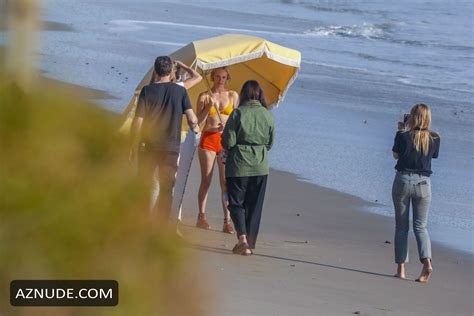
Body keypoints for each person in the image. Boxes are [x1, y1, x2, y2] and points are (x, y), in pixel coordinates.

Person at [129, 56, 200, 219]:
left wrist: (132, 145)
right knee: (166, 189)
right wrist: (195, 128)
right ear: (171, 71)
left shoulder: (147, 91)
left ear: (155, 71)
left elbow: (138, 122)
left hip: (148, 147)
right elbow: (192, 118)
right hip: (170, 148)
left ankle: (143, 221)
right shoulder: (180, 91)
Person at [221, 80, 275, 255]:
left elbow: (228, 142)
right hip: (260, 165)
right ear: (259, 95)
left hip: (238, 164)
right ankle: (250, 243)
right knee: (254, 205)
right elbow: (269, 143)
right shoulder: (267, 115)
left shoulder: (238, 113)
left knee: (236, 202)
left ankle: (242, 238)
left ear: (243, 94)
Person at [391, 103, 440, 283]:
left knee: (401, 227)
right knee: (421, 227)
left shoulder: (403, 136)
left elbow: (396, 155)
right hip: (424, 184)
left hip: (403, 180)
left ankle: (401, 268)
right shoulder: (434, 138)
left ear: (413, 117)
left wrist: (403, 131)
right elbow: (432, 156)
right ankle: (427, 263)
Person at [195, 67, 239, 234]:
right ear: (212, 77)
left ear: (227, 78)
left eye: (224, 77)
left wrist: (228, 126)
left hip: (225, 142)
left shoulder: (233, 96)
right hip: (208, 140)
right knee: (206, 180)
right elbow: (197, 122)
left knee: (225, 182)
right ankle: (201, 216)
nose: (220, 80)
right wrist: (208, 108)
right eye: (218, 77)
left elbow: (237, 120)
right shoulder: (205, 96)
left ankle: (227, 220)